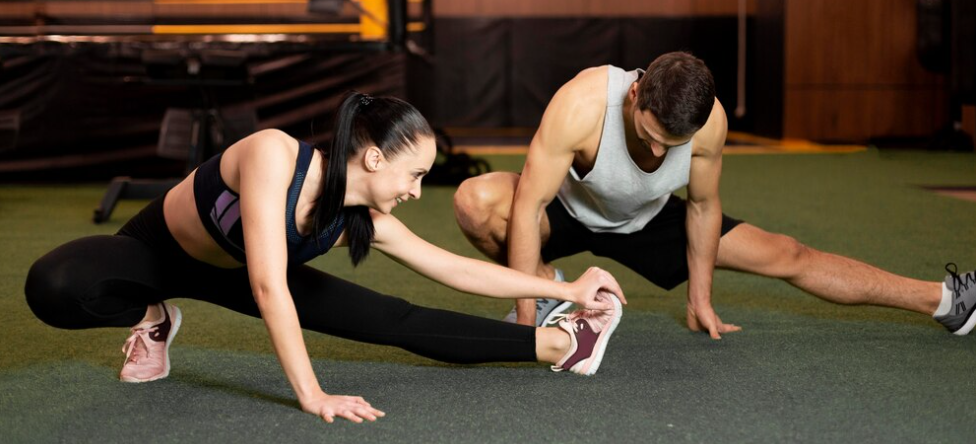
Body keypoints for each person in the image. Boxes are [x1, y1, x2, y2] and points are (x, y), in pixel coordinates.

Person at [24, 92, 626, 424]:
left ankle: (557, 343)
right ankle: (153, 315)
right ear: (372, 159)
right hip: (157, 254)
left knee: (398, 321)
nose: (418, 191)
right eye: (414, 174)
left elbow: (453, 268)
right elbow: (268, 288)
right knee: (54, 284)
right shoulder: (273, 157)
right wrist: (313, 394)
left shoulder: (366, 221)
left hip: (241, 272)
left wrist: (570, 294)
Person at [453, 51, 975, 337]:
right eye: (650, 135)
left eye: (671, 145)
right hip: (566, 209)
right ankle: (549, 288)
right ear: (636, 93)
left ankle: (947, 300)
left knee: (789, 253)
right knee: (475, 200)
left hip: (647, 221)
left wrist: (699, 296)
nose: (658, 154)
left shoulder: (711, 124)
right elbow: (529, 207)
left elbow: (702, 206)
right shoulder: (582, 102)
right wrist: (524, 324)